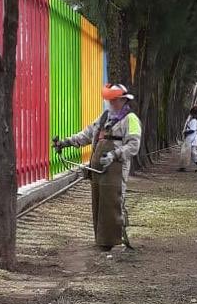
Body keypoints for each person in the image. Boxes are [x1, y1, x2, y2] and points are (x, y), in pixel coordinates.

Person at [53, 84, 142, 250]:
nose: (111, 103)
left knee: (114, 201)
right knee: (99, 203)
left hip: (116, 168)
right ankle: (102, 240)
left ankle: (117, 241)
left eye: (114, 100)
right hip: (98, 168)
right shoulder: (104, 116)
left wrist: (114, 155)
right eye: (109, 100)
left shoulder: (131, 119)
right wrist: (66, 142)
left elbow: (134, 145)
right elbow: (87, 134)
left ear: (123, 100)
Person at [179, 105, 197, 172]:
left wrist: (185, 132)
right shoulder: (196, 121)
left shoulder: (193, 121)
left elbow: (192, 130)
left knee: (187, 153)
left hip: (190, 139)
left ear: (193, 113)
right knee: (191, 153)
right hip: (193, 139)